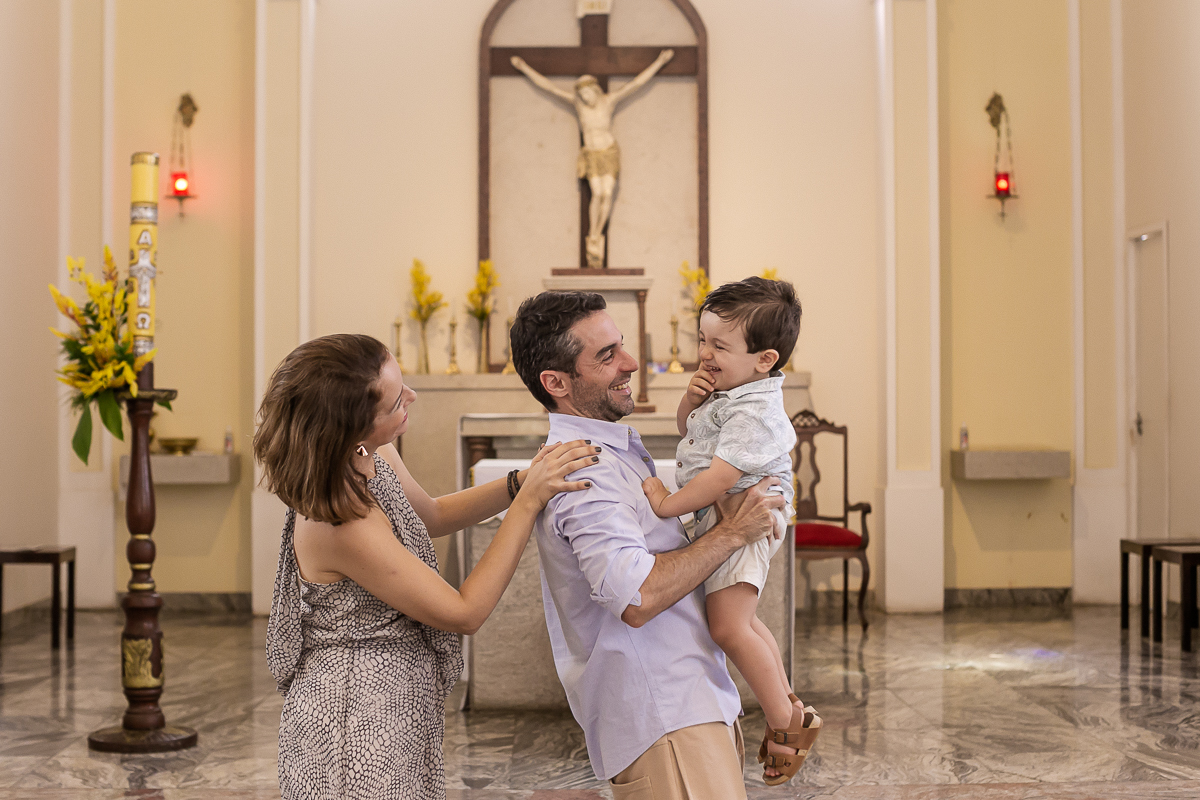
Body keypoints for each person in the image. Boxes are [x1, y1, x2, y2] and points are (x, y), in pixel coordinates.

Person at [254, 333, 597, 800]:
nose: (412, 398)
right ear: (352, 425)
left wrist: (518, 481)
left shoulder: (368, 452)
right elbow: (463, 612)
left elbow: (431, 515)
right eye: (397, 400)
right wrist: (531, 500)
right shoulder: (339, 524)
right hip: (354, 720)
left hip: (396, 698)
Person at [509, 291, 787, 799]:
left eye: (622, 346)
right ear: (556, 383)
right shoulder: (583, 472)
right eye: (607, 355)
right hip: (665, 717)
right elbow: (636, 598)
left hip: (689, 702)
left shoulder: (609, 450)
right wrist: (733, 532)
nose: (631, 363)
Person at [640, 277, 818, 786]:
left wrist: (665, 502)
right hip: (726, 516)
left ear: (764, 359)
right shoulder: (728, 391)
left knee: (727, 628)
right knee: (743, 622)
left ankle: (787, 725)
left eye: (720, 345)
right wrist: (689, 401)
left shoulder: (754, 406)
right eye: (703, 340)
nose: (705, 353)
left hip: (744, 513)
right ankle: (790, 708)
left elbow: (719, 476)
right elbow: (689, 435)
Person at [510, 49, 674, 268]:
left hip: (608, 152)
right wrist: (524, 68)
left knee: (607, 194)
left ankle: (597, 234)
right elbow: (549, 87)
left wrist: (659, 61)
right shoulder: (578, 106)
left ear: (595, 90)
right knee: (597, 194)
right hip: (591, 154)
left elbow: (635, 84)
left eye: (588, 93)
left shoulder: (608, 102)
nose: (585, 98)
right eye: (582, 95)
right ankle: (594, 235)